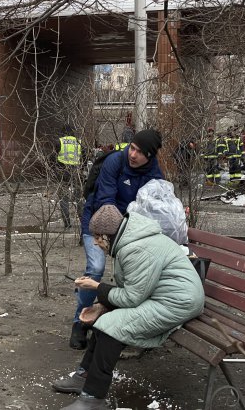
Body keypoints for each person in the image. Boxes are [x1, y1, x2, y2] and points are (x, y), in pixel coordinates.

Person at [53, 205, 205, 410]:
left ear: (109, 234)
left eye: (98, 237)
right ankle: (84, 377)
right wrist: (101, 306)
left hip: (177, 302)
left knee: (113, 327)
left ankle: (93, 399)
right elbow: (134, 289)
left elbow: (132, 297)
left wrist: (98, 287)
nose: (96, 243)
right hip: (160, 296)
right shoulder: (129, 241)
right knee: (105, 322)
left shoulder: (136, 248)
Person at [70, 129, 164, 350]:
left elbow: (156, 206)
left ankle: (116, 324)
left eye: (140, 152)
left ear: (149, 156)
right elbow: (105, 200)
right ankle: (79, 323)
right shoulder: (115, 161)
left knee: (131, 276)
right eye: (132, 147)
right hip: (98, 220)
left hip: (129, 230)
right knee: (96, 267)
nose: (133, 154)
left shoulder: (154, 174)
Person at [54, 134, 83, 228]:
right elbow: (84, 156)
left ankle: (67, 223)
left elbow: (53, 156)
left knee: (63, 198)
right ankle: (83, 221)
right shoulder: (78, 142)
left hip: (63, 171)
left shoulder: (60, 141)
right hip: (76, 171)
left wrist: (55, 168)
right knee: (79, 197)